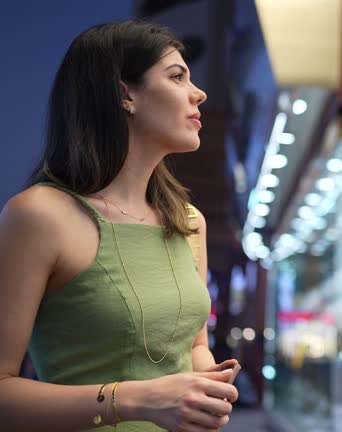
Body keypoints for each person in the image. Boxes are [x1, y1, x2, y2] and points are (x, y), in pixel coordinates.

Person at [0, 21, 239, 431]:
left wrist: (209, 384)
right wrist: (135, 399)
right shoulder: (39, 215)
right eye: (177, 76)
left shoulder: (188, 221)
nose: (197, 93)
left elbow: (195, 344)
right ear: (125, 93)